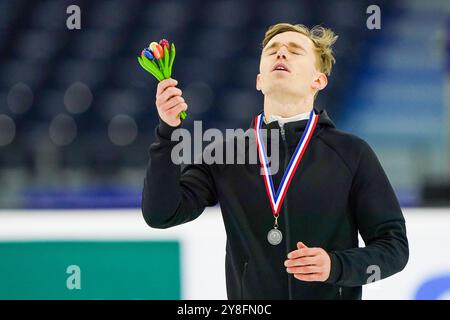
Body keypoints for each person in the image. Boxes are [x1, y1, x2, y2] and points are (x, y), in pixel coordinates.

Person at [141, 23, 409, 300]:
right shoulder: (223, 154)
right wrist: (167, 132)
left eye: (294, 51)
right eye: (272, 51)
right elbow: (162, 214)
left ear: (318, 80)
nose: (281, 54)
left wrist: (336, 266)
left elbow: (394, 247)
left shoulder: (352, 153)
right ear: (259, 80)